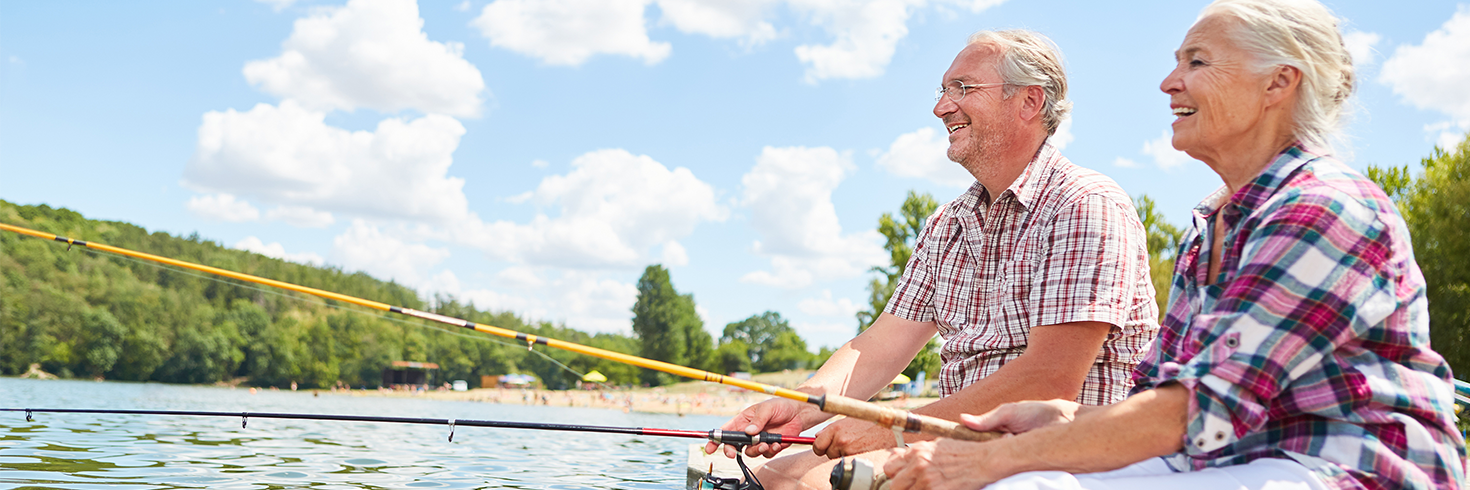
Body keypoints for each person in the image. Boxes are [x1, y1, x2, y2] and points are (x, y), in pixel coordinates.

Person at [880, 1, 1468, 489]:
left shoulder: (1321, 207)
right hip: (1239, 460)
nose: (1168, 82)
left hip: (1353, 469)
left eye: (1198, 61)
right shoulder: (1213, 224)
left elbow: (1197, 408)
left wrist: (992, 459)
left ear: (1279, 83)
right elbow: (1166, 398)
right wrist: (1061, 417)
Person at [706, 29, 1159, 489]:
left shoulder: (1086, 204)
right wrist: (801, 406)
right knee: (770, 477)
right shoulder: (948, 222)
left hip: (1060, 455)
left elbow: (1050, 378)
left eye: (962, 88)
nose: (942, 106)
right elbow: (878, 348)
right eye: (943, 90)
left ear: (1029, 102)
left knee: (810, 485)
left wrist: (893, 427)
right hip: (951, 440)